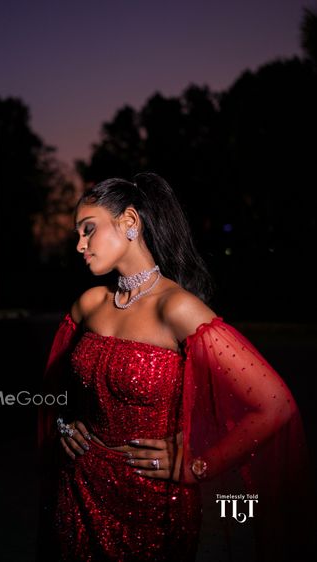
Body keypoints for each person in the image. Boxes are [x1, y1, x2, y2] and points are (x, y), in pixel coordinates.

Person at [36, 173, 315, 562]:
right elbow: (57, 387)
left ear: (129, 222)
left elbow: (275, 405)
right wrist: (66, 423)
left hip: (151, 502)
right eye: (78, 234)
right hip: (79, 487)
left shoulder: (177, 308)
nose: (80, 244)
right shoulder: (89, 304)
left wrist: (199, 464)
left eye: (88, 229)